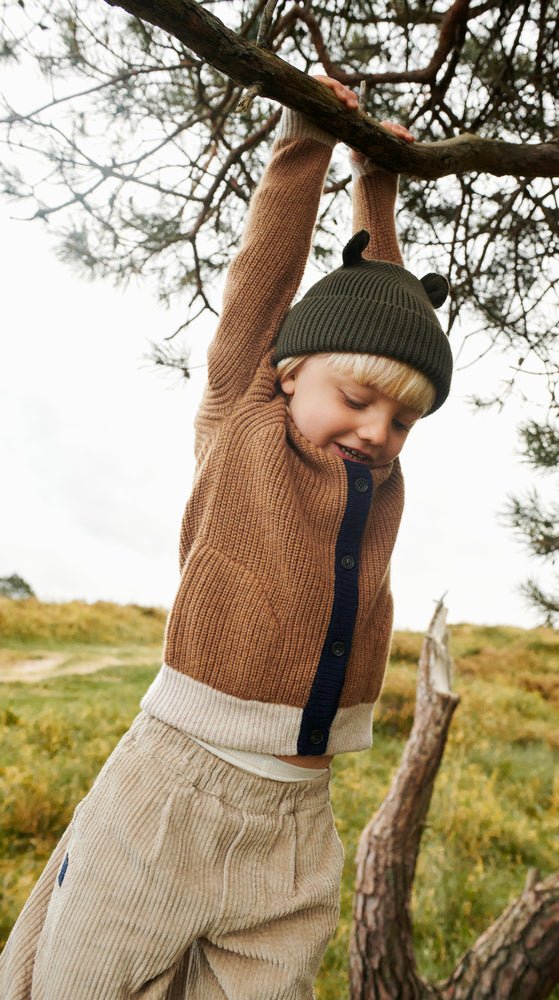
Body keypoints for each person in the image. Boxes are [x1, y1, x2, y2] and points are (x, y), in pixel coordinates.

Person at [0, 75, 452, 999]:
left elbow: (386, 306)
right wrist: (307, 140)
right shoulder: (242, 421)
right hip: (172, 794)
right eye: (355, 401)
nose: (376, 430)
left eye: (401, 420)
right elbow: (266, 282)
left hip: (296, 821)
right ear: (286, 372)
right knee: (83, 981)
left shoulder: (378, 471)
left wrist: (382, 180)